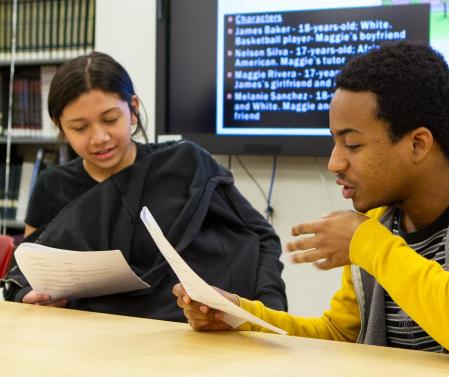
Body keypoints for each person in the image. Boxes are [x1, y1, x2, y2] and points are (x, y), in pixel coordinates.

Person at [173, 40, 449, 369]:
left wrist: (366, 243)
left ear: (418, 144)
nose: (335, 162)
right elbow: (342, 336)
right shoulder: (381, 215)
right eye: (334, 142)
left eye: (352, 144)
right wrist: (240, 316)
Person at [2, 51, 287, 320]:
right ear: (60, 126)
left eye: (110, 119)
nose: (99, 137)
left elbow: (261, 238)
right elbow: (28, 271)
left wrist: (267, 307)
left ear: (133, 110)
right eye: (80, 127)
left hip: (191, 331)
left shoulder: (186, 165)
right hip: (89, 342)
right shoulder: (52, 185)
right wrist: (33, 296)